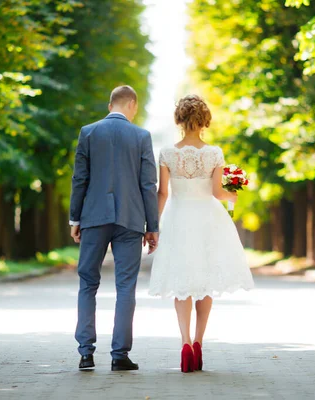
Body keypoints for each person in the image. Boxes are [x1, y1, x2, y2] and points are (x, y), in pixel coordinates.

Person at [148, 94, 254, 372]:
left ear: (180, 120)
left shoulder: (168, 153)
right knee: (205, 282)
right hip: (208, 219)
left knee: (182, 280)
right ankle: (198, 343)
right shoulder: (214, 153)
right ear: (204, 121)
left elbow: (162, 193)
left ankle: (184, 343)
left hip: (178, 216)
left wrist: (153, 227)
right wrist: (234, 195)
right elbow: (218, 192)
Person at [69, 85, 159, 371]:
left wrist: (75, 219)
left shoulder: (89, 132)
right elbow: (148, 185)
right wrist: (152, 226)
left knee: (88, 283)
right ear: (131, 104)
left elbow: (79, 179)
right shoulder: (142, 136)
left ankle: (86, 353)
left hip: (94, 217)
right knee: (125, 287)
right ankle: (120, 355)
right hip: (130, 220)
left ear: (110, 106)